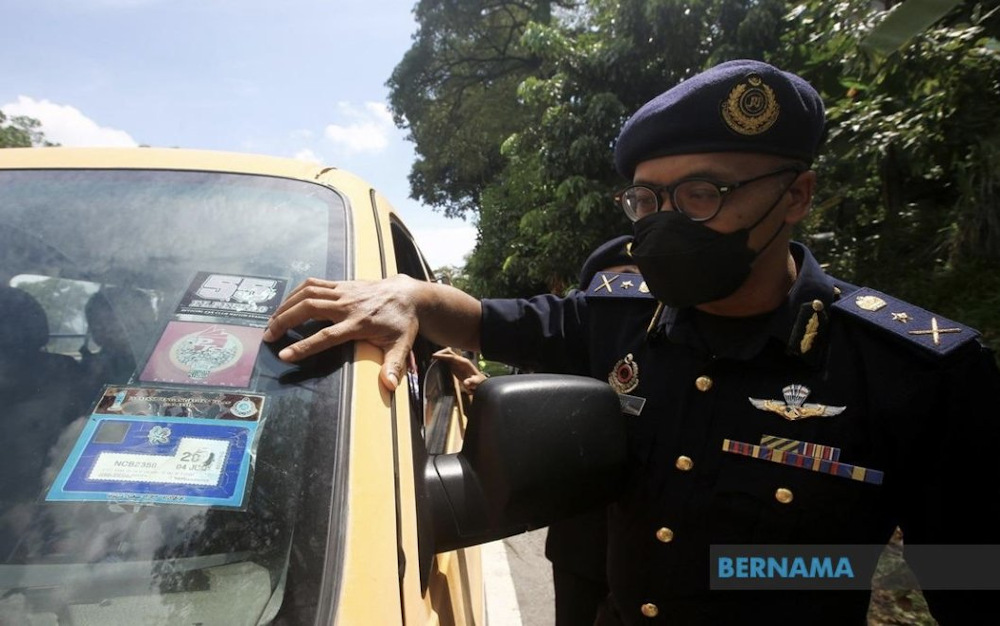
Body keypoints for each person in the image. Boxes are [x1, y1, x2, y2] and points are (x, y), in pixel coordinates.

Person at [262, 59, 1000, 625]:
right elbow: (489, 319)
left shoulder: (911, 370)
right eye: (648, 199)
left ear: (796, 195)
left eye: (703, 193)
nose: (665, 221)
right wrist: (410, 295)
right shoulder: (620, 318)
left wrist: (788, 570)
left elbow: (968, 573)